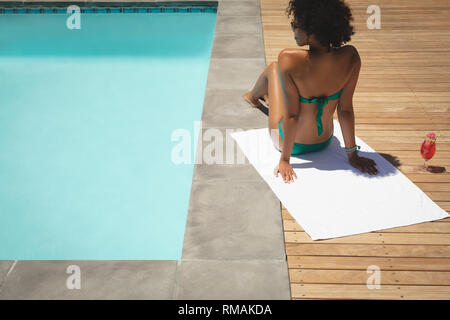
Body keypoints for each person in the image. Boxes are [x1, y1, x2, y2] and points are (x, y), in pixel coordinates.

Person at [243, 0, 378, 183]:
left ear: (312, 30)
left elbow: (292, 116)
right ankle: (260, 96)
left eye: (295, 24)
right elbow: (345, 110)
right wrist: (352, 156)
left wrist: (284, 159)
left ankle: (253, 97)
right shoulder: (351, 57)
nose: (293, 30)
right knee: (282, 78)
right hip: (325, 141)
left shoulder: (289, 59)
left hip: (288, 143)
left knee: (274, 68)